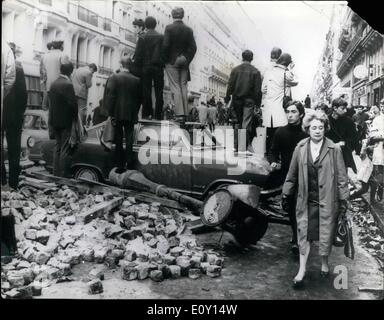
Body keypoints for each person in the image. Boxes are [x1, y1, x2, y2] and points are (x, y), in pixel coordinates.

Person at [282, 111, 349, 289]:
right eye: (314, 128)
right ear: (307, 129)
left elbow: (342, 177)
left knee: (325, 234)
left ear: (325, 128)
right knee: (304, 235)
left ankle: (325, 262)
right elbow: (292, 174)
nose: (317, 131)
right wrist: (286, 193)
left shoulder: (334, 149)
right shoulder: (300, 147)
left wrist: (343, 200)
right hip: (307, 200)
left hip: (327, 200)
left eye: (321, 127)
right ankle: (302, 270)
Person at [268, 101, 308, 254]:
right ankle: (296, 235)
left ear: (301, 114)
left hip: (303, 175)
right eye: (287, 112)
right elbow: (272, 151)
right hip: (287, 175)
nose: (290, 115)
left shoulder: (306, 134)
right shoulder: (280, 132)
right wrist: (272, 162)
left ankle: (298, 237)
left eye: (293, 112)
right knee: (292, 207)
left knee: (301, 208)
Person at [104, 56, 141, 173]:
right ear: (130, 66)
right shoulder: (137, 80)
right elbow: (139, 99)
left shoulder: (114, 77)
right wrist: (135, 112)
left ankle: (119, 164)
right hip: (130, 114)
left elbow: (110, 96)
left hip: (117, 113)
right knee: (130, 139)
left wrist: (109, 112)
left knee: (118, 139)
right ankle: (129, 164)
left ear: (121, 65)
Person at [163, 7, 197, 121]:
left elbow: (166, 45)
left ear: (172, 15)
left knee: (175, 86)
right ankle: (185, 113)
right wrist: (187, 58)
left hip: (172, 60)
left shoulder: (169, 28)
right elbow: (193, 47)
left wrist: (165, 60)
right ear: (182, 15)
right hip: (184, 60)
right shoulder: (189, 29)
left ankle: (179, 114)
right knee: (183, 86)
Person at [1, 43, 27, 190]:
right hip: (15, 116)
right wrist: (20, 113)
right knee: (14, 150)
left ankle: (2, 180)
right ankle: (13, 182)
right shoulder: (18, 69)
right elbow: (24, 95)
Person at [224, 50, 262, 152]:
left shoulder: (235, 70)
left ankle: (236, 146)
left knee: (238, 123)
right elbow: (258, 90)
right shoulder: (256, 71)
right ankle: (243, 146)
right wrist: (258, 104)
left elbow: (230, 85)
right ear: (252, 59)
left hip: (237, 100)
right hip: (249, 101)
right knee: (246, 123)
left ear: (242, 57)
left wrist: (227, 98)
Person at [262, 53, 298, 153]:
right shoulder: (286, 73)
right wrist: (291, 68)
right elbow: (296, 81)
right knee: (281, 131)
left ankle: (269, 154)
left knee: (270, 131)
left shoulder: (269, 72)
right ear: (287, 63)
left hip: (270, 107)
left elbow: (263, 89)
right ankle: (278, 155)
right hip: (281, 106)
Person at [48, 62, 78, 178]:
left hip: (55, 121)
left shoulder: (53, 83)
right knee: (65, 149)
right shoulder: (68, 84)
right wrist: (75, 117)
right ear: (70, 72)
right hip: (66, 122)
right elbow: (73, 105)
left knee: (58, 147)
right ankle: (63, 175)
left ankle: (56, 174)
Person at [134, 16, 164, 120]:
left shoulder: (142, 37)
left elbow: (138, 55)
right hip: (158, 67)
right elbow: (164, 53)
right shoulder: (161, 36)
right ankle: (159, 114)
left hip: (145, 68)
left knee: (146, 91)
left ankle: (148, 113)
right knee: (159, 91)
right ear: (155, 24)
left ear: (145, 25)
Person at [326, 97, 359, 174]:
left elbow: (354, 139)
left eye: (345, 108)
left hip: (344, 156)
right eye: (342, 108)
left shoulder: (349, 121)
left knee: (342, 180)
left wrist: (345, 143)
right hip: (328, 155)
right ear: (335, 108)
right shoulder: (326, 120)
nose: (345, 111)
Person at [40, 40, 70, 111]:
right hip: (60, 85)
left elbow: (42, 71)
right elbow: (66, 70)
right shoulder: (63, 55)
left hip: (48, 85)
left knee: (50, 108)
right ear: (61, 46)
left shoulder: (44, 56)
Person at [369, 105, 384, 202]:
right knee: (377, 174)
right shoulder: (378, 119)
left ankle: (381, 192)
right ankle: (373, 197)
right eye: (382, 106)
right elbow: (372, 136)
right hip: (379, 151)